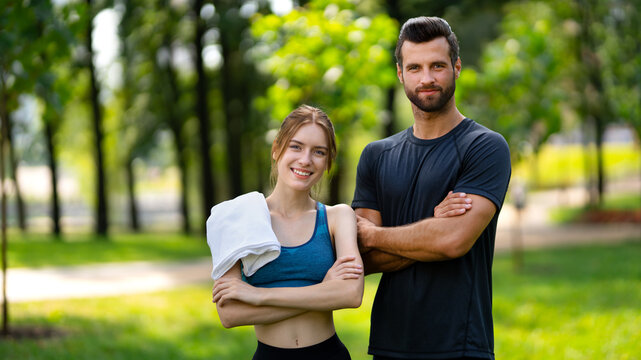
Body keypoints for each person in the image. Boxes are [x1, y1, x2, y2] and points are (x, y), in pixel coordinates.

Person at [351, 16, 512, 360]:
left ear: (456, 68)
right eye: (415, 68)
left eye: (437, 66)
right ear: (400, 74)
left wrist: (376, 235)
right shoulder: (375, 156)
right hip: (389, 344)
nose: (426, 79)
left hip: (460, 344)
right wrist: (432, 225)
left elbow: (452, 241)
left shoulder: (484, 147)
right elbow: (360, 260)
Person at [212, 105, 364, 360]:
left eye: (319, 152)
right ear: (276, 149)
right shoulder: (237, 217)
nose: (305, 160)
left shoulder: (338, 216)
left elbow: (351, 294)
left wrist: (258, 296)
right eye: (296, 146)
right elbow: (230, 314)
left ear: (327, 162)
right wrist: (323, 290)